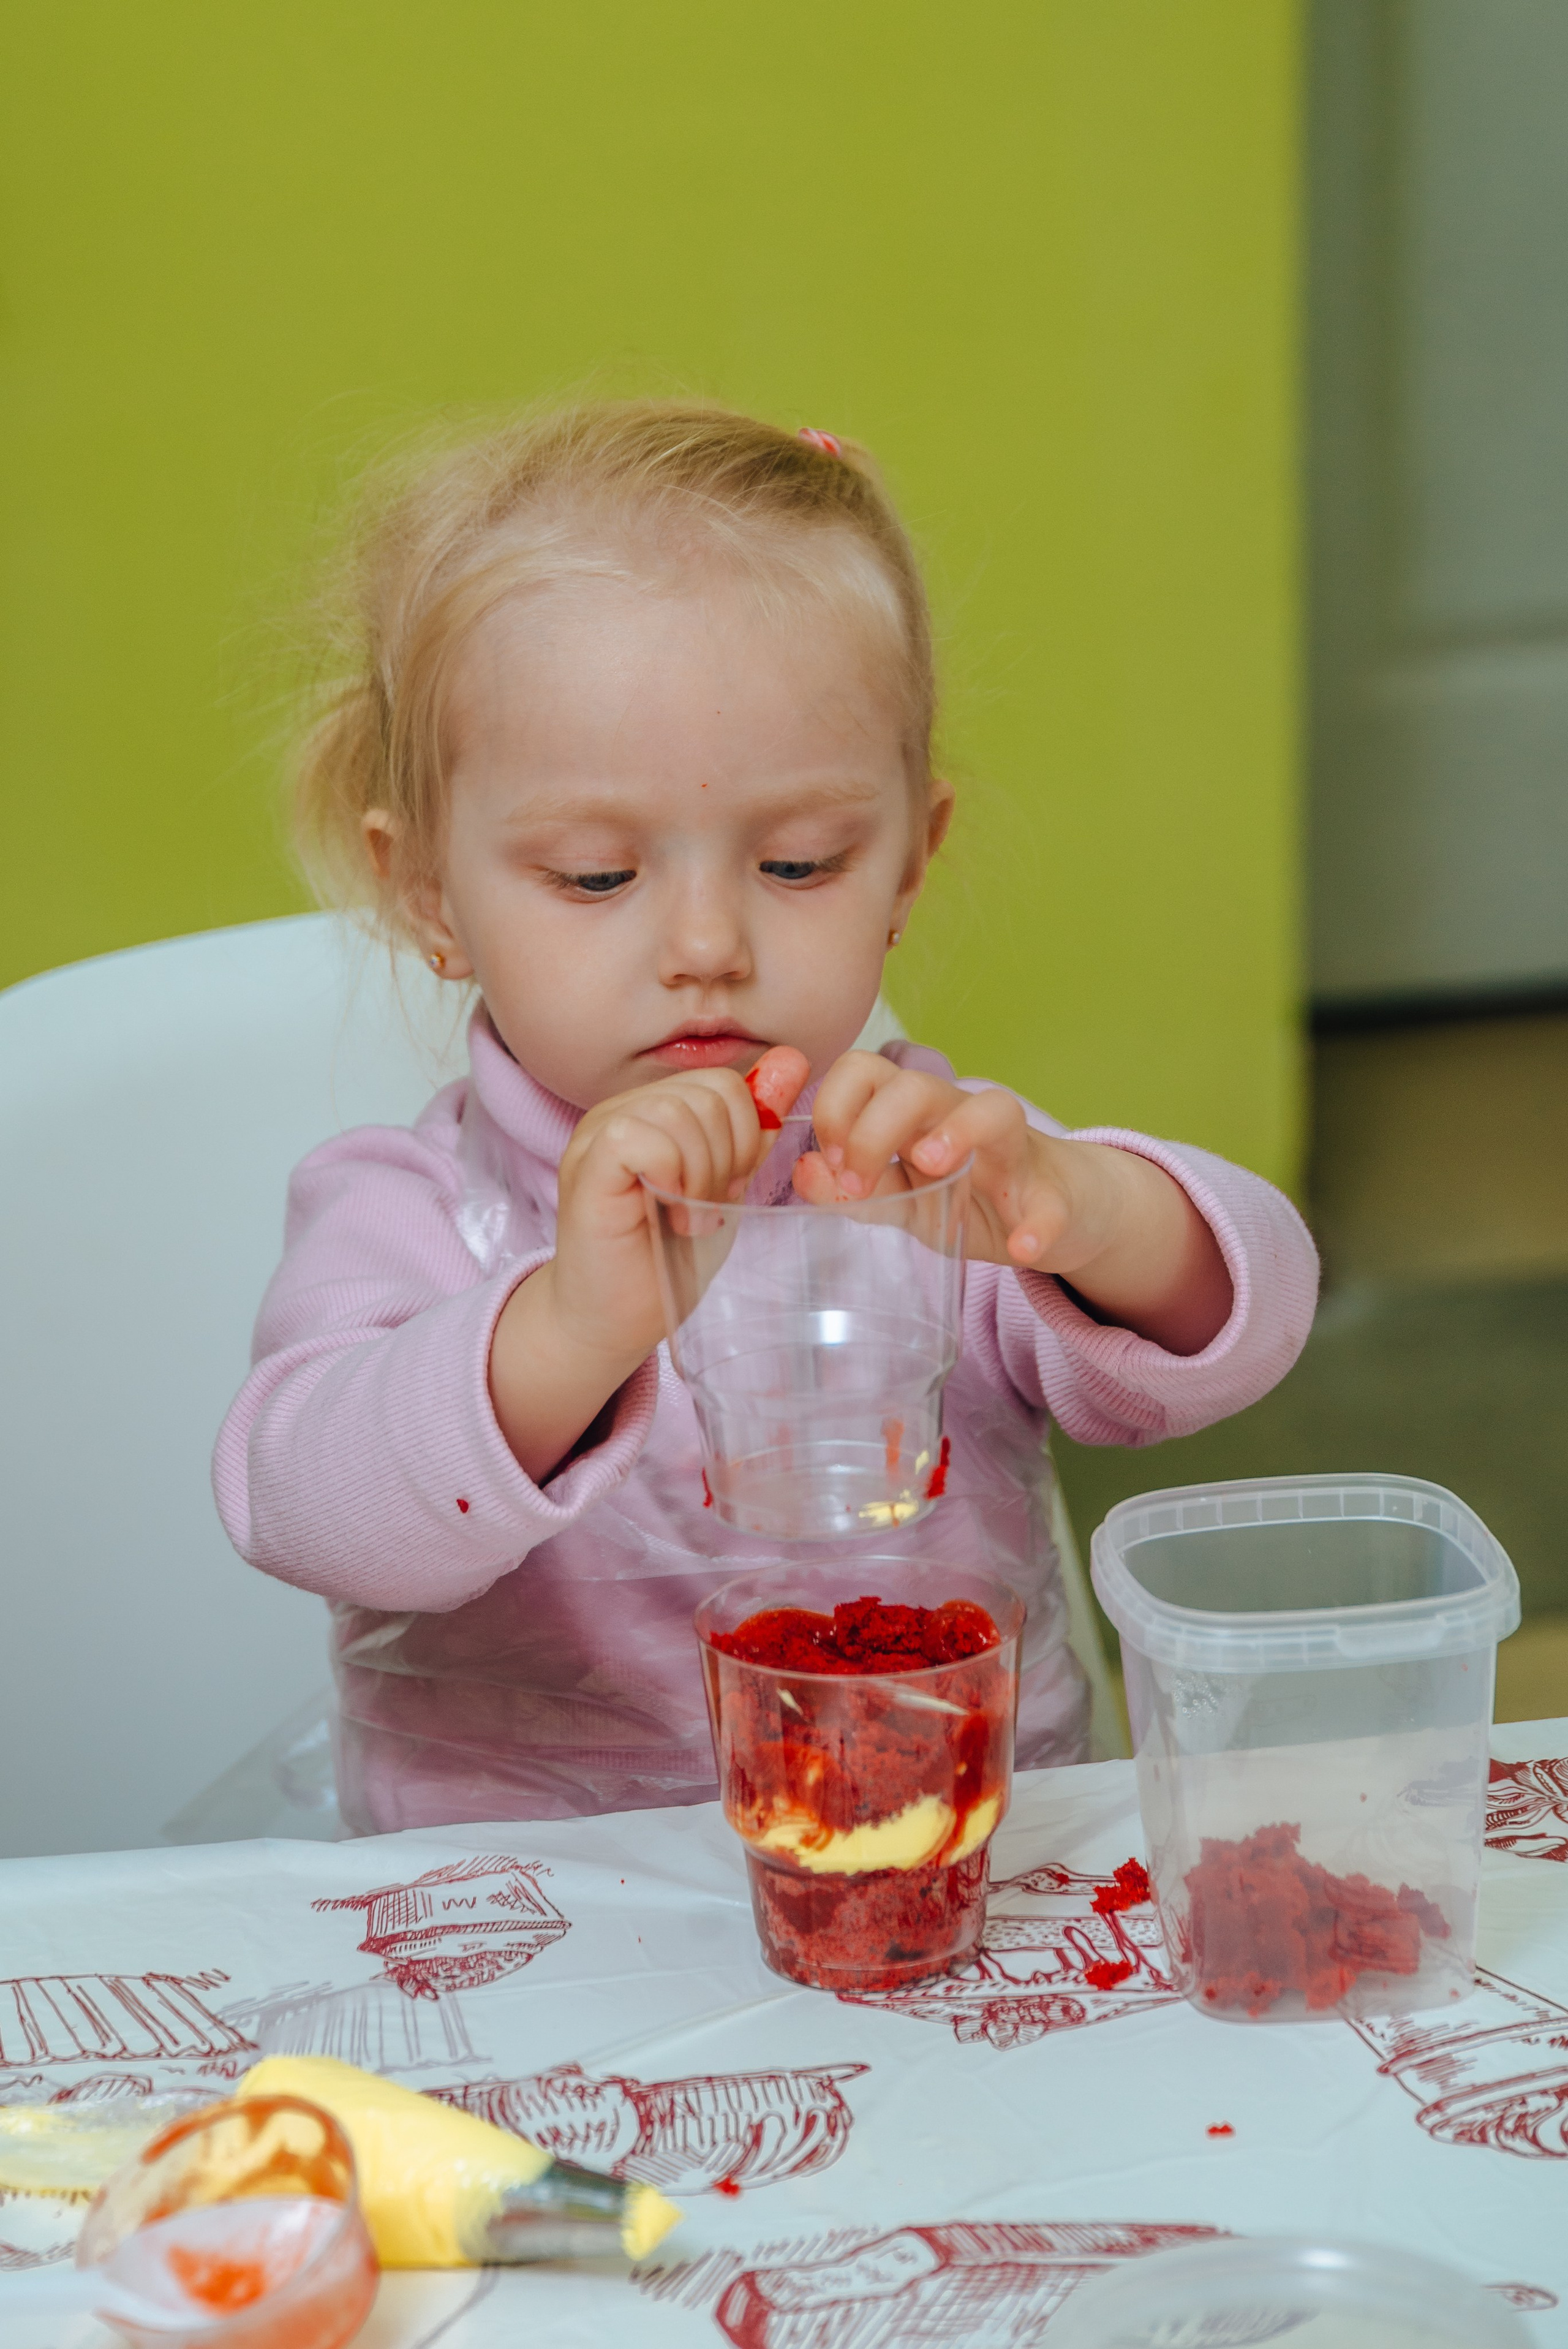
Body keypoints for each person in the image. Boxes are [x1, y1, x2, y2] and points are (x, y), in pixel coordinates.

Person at [213, 403, 1317, 1832]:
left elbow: (1251, 1324)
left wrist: (1089, 1211)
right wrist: (565, 1329)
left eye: (796, 864)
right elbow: (303, 1509)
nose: (705, 946)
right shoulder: (408, 1207)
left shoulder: (927, 1168)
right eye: (595, 876)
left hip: (951, 1859)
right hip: (539, 1901)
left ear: (907, 863)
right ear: (426, 891)